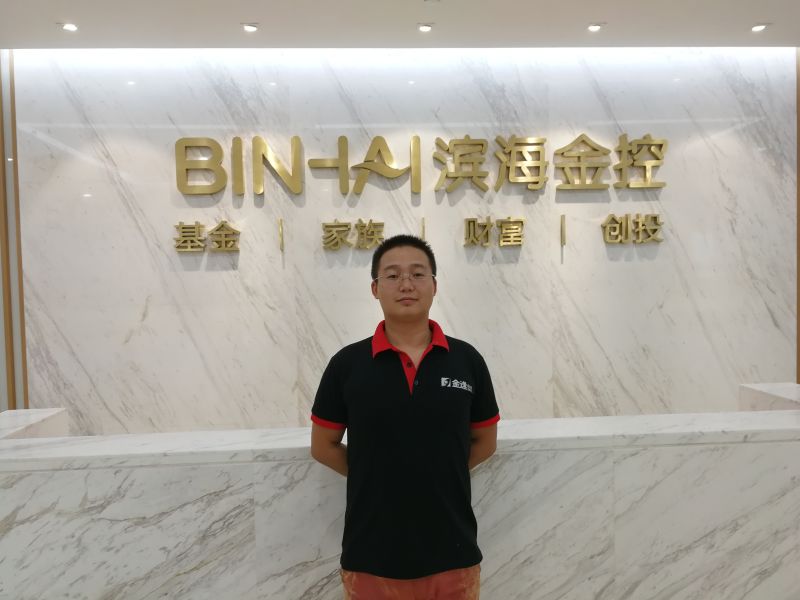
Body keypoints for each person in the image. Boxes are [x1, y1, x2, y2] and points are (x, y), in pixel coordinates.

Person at [310, 234, 500, 600]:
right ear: (375, 288)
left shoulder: (467, 361)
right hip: (370, 556)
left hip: (453, 555)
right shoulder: (347, 365)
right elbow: (323, 446)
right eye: (393, 275)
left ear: (434, 286)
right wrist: (378, 473)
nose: (406, 284)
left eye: (417, 274)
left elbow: (485, 442)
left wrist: (436, 471)